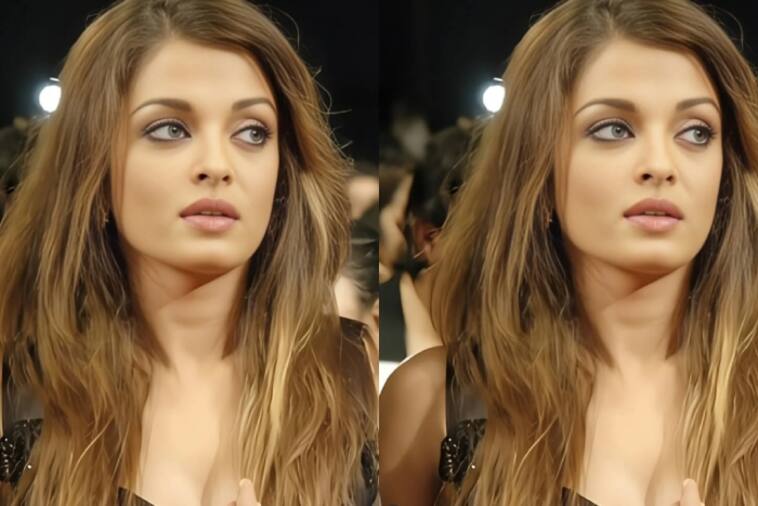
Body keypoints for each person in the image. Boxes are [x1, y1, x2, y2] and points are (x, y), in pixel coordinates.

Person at [380, 0, 758, 504]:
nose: (661, 164)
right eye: (613, 129)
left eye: (696, 132)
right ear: (538, 169)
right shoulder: (430, 401)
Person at [0, 1, 376, 505]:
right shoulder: (16, 389)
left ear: (283, 174)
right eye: (170, 129)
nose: (217, 165)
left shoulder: (354, 373)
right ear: (93, 167)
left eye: (252, 132)